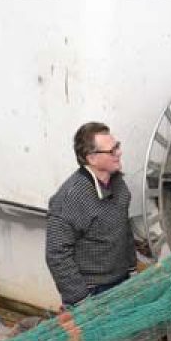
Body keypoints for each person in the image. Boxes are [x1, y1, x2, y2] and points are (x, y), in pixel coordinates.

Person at [46, 122, 136, 307]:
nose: (119, 153)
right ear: (92, 158)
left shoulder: (118, 184)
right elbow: (57, 254)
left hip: (121, 281)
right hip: (92, 291)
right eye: (112, 151)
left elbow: (124, 229)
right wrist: (81, 300)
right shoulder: (70, 198)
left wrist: (132, 269)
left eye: (117, 146)